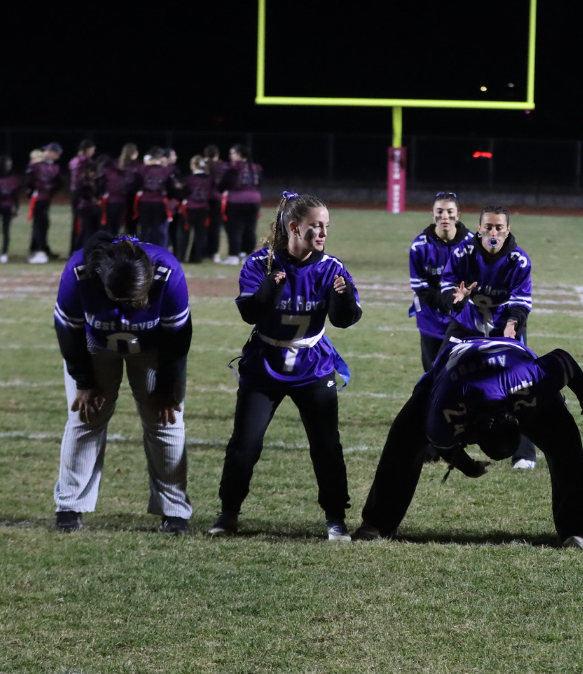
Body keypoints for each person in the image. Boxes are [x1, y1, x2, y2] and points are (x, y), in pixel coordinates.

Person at [209, 192, 361, 539]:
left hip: (313, 364)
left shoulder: (332, 267)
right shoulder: (261, 263)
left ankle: (336, 518)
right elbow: (250, 312)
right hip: (265, 364)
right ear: (294, 227)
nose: (322, 233)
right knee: (245, 445)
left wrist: (344, 298)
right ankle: (228, 513)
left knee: (326, 446)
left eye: (326, 226)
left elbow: (344, 320)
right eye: (315, 226)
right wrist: (268, 290)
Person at [354, 337, 583, 548]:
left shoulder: (529, 381)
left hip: (512, 364)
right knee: (403, 438)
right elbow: (441, 441)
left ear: (517, 422)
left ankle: (577, 528)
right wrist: (468, 467)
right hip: (451, 374)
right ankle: (378, 523)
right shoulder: (444, 408)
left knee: (566, 442)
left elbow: (564, 361)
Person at [52, 231, 193, 533]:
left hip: (154, 347)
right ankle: (70, 506)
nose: (132, 305)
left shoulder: (167, 271)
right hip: (95, 344)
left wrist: (167, 386)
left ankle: (174, 511)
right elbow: (68, 330)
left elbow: (178, 338)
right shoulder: (79, 273)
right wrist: (84, 381)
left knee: (166, 420)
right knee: (85, 416)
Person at [439, 205, 538, 469]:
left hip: (506, 326)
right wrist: (455, 299)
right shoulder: (463, 252)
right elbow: (447, 286)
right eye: (489, 226)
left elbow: (521, 302)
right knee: (439, 375)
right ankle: (434, 443)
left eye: (499, 227)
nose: (493, 232)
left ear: (507, 230)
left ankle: (525, 452)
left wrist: (512, 325)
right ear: (479, 227)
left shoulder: (519, 260)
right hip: (467, 323)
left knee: (521, 384)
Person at [409, 191, 474, 371]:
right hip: (430, 320)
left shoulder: (472, 244)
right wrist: (448, 302)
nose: (445, 216)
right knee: (432, 374)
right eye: (439, 211)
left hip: (463, 320)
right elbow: (420, 287)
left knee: (461, 373)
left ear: (458, 215)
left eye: (449, 211)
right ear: (432, 214)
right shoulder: (420, 247)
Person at [219, 144, 262, 265]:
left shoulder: (233, 168)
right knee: (250, 228)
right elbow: (260, 183)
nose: (230, 156)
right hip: (254, 200)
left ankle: (234, 255)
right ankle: (247, 254)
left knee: (234, 229)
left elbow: (223, 184)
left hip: (236, 201)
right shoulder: (255, 168)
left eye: (232, 153)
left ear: (238, 154)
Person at [24, 141, 63, 264]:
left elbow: (59, 183)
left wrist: (50, 191)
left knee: (42, 224)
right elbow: (28, 181)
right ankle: (39, 250)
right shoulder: (36, 165)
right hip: (38, 198)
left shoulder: (54, 167)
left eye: (48, 150)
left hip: (45, 198)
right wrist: (32, 192)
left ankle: (39, 248)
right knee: (40, 224)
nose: (45, 152)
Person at [135, 147, 177, 248]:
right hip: (159, 202)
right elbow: (171, 189)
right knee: (159, 230)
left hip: (145, 202)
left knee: (145, 229)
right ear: (161, 157)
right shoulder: (166, 170)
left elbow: (135, 184)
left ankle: (144, 254)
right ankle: (159, 254)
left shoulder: (142, 169)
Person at [181, 155, 215, 263]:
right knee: (200, 234)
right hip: (204, 208)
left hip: (190, 208)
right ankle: (197, 258)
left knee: (184, 233)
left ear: (193, 166)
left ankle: (181, 257)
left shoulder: (189, 179)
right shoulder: (209, 179)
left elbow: (184, 192)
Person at [68, 139, 99, 253]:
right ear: (88, 149)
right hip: (84, 195)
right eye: (92, 150)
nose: (93, 152)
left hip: (75, 194)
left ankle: (73, 250)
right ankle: (80, 250)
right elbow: (85, 180)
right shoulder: (86, 162)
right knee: (86, 225)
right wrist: (92, 195)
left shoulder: (73, 161)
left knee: (77, 223)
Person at [202, 144, 225, 262]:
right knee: (215, 227)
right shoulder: (221, 166)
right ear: (217, 154)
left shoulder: (202, 164)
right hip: (216, 199)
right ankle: (214, 253)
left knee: (203, 226)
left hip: (203, 199)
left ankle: (202, 252)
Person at [0, 155, 21, 263]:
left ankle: (4, 253)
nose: (9, 166)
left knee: (6, 230)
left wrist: (17, 208)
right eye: (7, 163)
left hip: (7, 207)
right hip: (4, 205)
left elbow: (15, 195)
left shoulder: (13, 178)